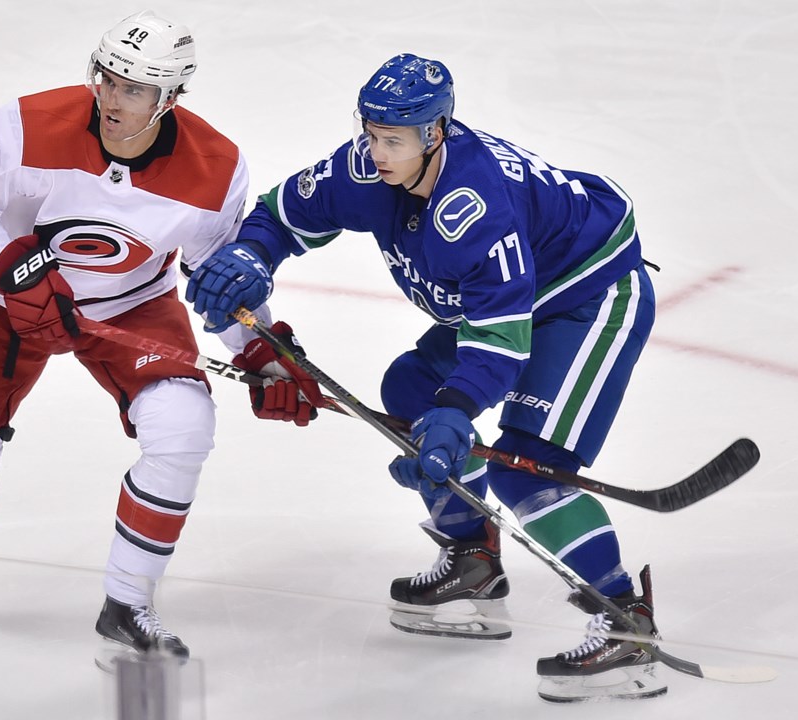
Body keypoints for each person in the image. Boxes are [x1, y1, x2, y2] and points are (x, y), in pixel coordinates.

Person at [185, 54, 666, 700]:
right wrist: (251, 252)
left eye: (393, 139)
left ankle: (626, 624)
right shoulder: (364, 168)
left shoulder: (474, 209)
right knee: (410, 394)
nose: (377, 151)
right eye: (371, 133)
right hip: (511, 297)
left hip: (583, 297)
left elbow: (499, 343)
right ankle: (474, 560)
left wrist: (457, 411)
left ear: (434, 133)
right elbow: (284, 213)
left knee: (522, 469)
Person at [0, 10, 319, 661]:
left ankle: (128, 601)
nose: (113, 99)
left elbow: (216, 283)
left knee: (183, 425)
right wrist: (17, 274)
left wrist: (261, 351)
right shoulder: (25, 124)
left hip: (130, 308)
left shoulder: (216, 168)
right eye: (108, 79)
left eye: (135, 88)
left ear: (171, 96)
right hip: (2, 303)